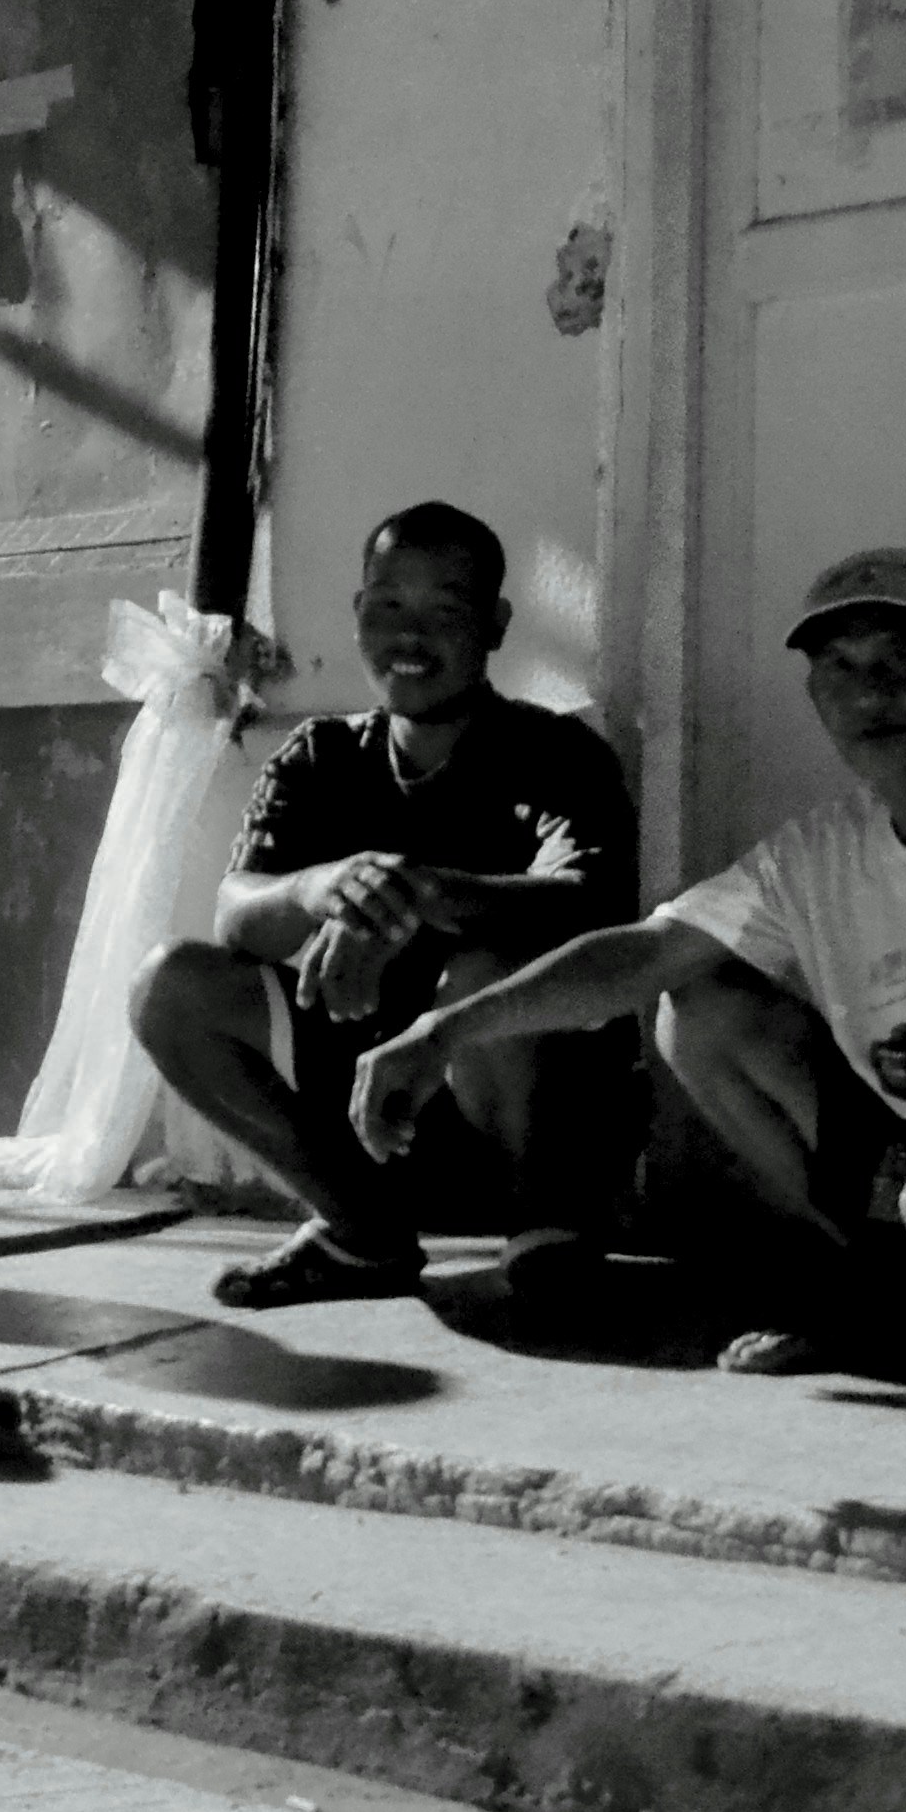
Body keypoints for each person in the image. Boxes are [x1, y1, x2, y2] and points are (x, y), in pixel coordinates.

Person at [350, 548, 906, 1382]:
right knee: (697, 1008)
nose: (871, 691)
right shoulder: (818, 852)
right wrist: (444, 1030)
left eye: (899, 661)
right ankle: (890, 1292)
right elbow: (646, 953)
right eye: (839, 667)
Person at [131, 502, 638, 1308]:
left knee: (483, 972)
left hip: (519, 1119)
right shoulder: (320, 756)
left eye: (445, 611)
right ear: (359, 614)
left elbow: (597, 902)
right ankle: (360, 1230)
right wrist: (321, 886)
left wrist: (418, 894)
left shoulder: (557, 754)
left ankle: (548, 1236)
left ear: (496, 625)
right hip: (366, 1113)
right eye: (388, 607)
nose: (411, 637)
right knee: (169, 984)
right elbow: (238, 914)